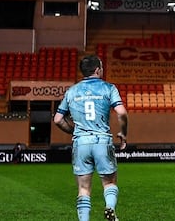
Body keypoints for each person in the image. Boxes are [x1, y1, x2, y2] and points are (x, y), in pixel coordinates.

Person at [53, 54, 128, 221]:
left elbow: (57, 119)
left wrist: (74, 131)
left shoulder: (71, 91)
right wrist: (123, 133)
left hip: (81, 143)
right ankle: (109, 207)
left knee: (84, 189)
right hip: (102, 141)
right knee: (109, 183)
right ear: (97, 70)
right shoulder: (108, 88)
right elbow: (121, 112)